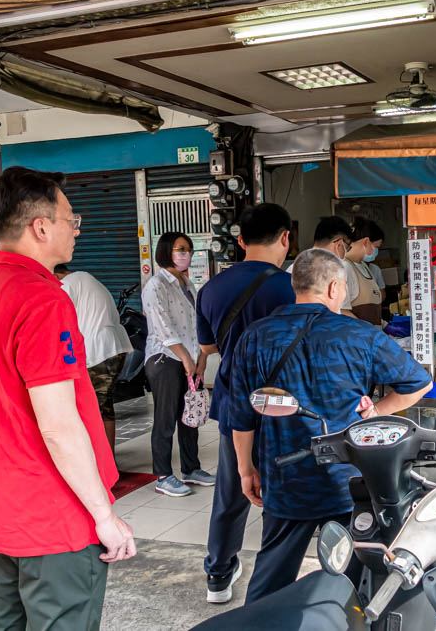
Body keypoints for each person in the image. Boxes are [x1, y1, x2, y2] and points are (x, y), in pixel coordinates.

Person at [0, 166, 135, 631]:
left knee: (4, 623)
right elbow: (59, 423)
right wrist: (104, 515)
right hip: (53, 515)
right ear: (40, 226)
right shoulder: (44, 300)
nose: (76, 229)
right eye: (72, 219)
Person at [229, 248, 433, 604]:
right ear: (336, 287)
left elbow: (242, 414)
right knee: (357, 579)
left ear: (296, 286)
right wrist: (374, 413)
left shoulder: (256, 335)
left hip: (284, 478)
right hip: (350, 481)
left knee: (271, 577)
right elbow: (419, 384)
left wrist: (245, 469)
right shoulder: (359, 335)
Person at [197, 203, 296, 604]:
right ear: (286, 237)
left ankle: (218, 576)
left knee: (232, 489)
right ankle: (275, 582)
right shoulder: (291, 287)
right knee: (281, 487)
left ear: (240, 240)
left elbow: (209, 346)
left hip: (233, 402)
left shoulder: (211, 288)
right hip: (283, 402)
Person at [141, 231, 215, 498]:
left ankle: (191, 468)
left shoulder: (186, 283)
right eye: (180, 249)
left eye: (189, 249)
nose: (187, 254)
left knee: (189, 417)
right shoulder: (156, 285)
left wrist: (200, 359)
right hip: (165, 359)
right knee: (165, 417)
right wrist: (186, 358)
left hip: (188, 359)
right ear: (166, 252)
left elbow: (195, 325)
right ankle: (163, 475)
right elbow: (163, 327)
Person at [54, 264, 132, 455]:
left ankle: (102, 461)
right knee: (104, 406)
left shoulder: (68, 284)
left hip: (99, 351)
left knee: (94, 409)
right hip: (113, 347)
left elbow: (59, 319)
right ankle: (108, 458)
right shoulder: (86, 278)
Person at [342, 216, 385, 324]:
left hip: (369, 337)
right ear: (366, 242)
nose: (377, 251)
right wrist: (368, 331)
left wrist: (384, 325)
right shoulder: (345, 268)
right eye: (376, 246)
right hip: (356, 337)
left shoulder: (364, 266)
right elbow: (342, 311)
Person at [285, 216, 351, 273]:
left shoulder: (292, 269)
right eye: (347, 248)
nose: (346, 252)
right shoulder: (339, 273)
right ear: (339, 244)